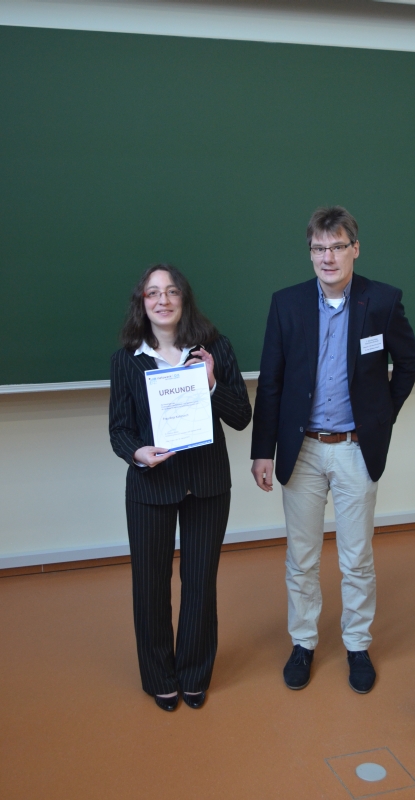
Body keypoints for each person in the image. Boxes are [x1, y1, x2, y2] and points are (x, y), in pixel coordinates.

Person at [251, 206, 415, 694]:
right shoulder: (286, 304)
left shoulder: (381, 301)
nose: (328, 257)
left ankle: (357, 644)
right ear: (310, 253)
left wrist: (381, 415)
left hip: (353, 449)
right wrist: (263, 450)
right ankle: (303, 642)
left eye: (337, 246)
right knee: (301, 557)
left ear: (355, 249)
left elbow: (408, 361)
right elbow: (272, 381)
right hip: (302, 449)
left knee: (356, 557)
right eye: (319, 248)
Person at [110, 264, 251, 712]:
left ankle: (193, 674)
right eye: (153, 293)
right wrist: (138, 453)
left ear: (184, 299)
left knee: (200, 582)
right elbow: (119, 430)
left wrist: (211, 382)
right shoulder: (127, 359)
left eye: (171, 292)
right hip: (151, 485)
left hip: (207, 485)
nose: (163, 300)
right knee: (150, 584)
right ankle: (159, 677)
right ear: (142, 303)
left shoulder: (215, 349)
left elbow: (241, 416)